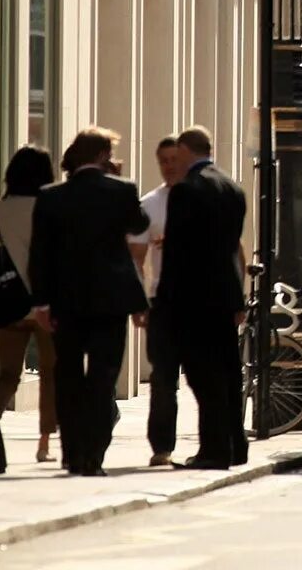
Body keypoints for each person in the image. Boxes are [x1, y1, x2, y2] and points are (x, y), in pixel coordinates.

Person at [26, 128, 150, 475]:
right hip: (111, 302)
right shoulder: (121, 191)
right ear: (101, 156)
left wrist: (41, 303)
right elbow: (139, 223)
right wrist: (120, 183)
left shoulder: (51, 197)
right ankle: (93, 456)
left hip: (66, 302)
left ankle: (71, 453)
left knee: (67, 375)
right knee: (102, 377)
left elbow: (40, 255)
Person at [155, 126, 248, 469]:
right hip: (225, 297)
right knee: (228, 374)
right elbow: (230, 249)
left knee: (203, 376)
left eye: (176, 155)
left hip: (194, 300)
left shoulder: (187, 191)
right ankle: (235, 445)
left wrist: (165, 303)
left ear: (186, 151)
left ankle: (214, 450)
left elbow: (178, 255)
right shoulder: (232, 188)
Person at [0, 146, 59, 473]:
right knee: (51, 373)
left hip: (8, 302)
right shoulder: (49, 208)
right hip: (46, 302)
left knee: (7, 374)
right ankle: (44, 444)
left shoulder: (0, 210)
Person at [128, 136, 183, 467]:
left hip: (202, 301)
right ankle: (162, 446)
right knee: (164, 378)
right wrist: (139, 301)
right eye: (163, 160)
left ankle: (212, 442)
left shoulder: (204, 197)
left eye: (174, 158)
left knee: (206, 376)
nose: (168, 165)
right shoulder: (149, 204)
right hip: (162, 299)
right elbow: (136, 258)